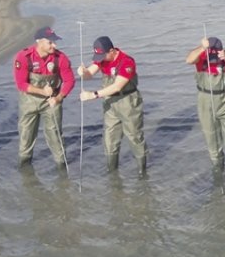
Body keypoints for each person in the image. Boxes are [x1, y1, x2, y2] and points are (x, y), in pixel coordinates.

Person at [79, 36, 148, 174]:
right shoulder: (101, 60)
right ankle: (112, 171)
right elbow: (89, 74)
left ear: (112, 51)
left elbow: (117, 86)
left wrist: (93, 95)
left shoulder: (127, 61)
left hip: (128, 102)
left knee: (134, 136)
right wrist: (83, 72)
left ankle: (142, 172)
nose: (100, 59)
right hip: (110, 103)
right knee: (110, 138)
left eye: (102, 55)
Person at [13, 26, 75, 168]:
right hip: (29, 101)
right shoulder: (23, 57)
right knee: (25, 138)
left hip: (52, 102)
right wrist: (42, 92)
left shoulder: (61, 58)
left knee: (55, 137)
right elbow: (21, 84)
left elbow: (70, 81)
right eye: (50, 42)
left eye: (54, 42)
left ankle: (62, 172)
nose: (54, 45)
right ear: (39, 42)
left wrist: (58, 97)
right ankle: (25, 170)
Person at [186, 36, 225, 175]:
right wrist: (202, 47)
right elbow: (189, 60)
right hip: (205, 100)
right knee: (211, 138)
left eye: (216, 54)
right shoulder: (202, 55)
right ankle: (218, 169)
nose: (215, 57)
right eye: (212, 54)